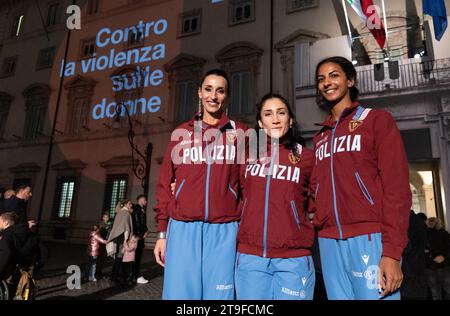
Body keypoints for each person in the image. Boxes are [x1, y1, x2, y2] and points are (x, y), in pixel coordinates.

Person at [310, 56, 411, 300]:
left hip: (369, 237)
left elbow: (397, 188)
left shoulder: (376, 120)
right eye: (321, 79)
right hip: (329, 241)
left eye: (334, 75)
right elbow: (316, 187)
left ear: (351, 80)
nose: (327, 82)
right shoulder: (319, 137)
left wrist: (392, 252)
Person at [154, 69, 247, 300]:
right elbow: (165, 184)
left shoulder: (244, 133)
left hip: (225, 230)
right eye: (208, 89)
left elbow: (252, 185)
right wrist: (162, 234)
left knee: (220, 298)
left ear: (227, 96)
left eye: (220, 90)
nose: (213, 96)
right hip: (183, 229)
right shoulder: (180, 133)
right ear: (199, 92)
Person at [235, 93, 316, 300]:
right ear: (261, 123)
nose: (276, 119)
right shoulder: (248, 155)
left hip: (293, 258)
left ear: (290, 119)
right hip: (251, 258)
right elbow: (234, 191)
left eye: (281, 113)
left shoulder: (306, 157)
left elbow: (316, 200)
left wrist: (300, 226)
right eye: (268, 114)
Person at [400, 210, 428, 300]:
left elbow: (406, 248)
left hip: (408, 277)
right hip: (419, 275)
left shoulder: (406, 222)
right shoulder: (419, 222)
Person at [107, 200, 133, 285]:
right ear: (125, 204)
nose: (131, 205)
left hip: (117, 238)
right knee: (120, 258)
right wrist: (126, 240)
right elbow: (126, 228)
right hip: (122, 239)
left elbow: (117, 226)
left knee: (118, 258)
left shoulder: (119, 213)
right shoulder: (126, 213)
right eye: (129, 204)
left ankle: (116, 276)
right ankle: (114, 277)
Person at [424, 217, 450, 300]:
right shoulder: (425, 234)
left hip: (442, 267)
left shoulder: (443, 233)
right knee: (437, 293)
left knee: (443, 292)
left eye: (433, 221)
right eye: (430, 221)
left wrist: (444, 256)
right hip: (431, 268)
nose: (431, 223)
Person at [132, 195, 149, 284]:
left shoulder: (141, 209)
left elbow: (142, 222)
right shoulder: (137, 209)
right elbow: (138, 223)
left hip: (140, 236)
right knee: (136, 256)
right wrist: (143, 232)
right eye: (145, 200)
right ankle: (136, 275)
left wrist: (146, 230)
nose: (146, 202)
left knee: (138, 256)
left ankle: (135, 274)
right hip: (138, 236)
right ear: (141, 200)